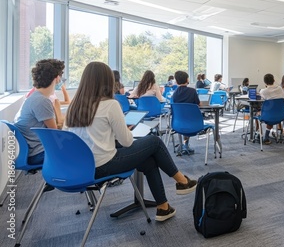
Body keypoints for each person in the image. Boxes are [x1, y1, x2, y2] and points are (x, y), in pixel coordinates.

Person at [64, 62, 197, 222]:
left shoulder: (74, 106)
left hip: (80, 167)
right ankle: (182, 181)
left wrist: (112, 129)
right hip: (102, 166)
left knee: (149, 160)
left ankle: (163, 207)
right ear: (107, 81)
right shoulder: (110, 105)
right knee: (154, 141)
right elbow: (127, 142)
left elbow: (86, 135)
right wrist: (125, 129)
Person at [14, 59, 65, 164]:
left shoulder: (34, 97)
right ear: (57, 78)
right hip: (39, 152)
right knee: (84, 148)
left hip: (35, 149)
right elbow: (54, 134)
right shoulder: (42, 101)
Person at [171, 70, 200, 155]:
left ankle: (184, 144)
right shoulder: (192, 91)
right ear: (187, 80)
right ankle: (185, 144)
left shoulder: (174, 94)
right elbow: (198, 104)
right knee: (188, 118)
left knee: (184, 119)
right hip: (194, 123)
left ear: (176, 81)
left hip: (178, 123)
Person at [259, 74, 284, 145]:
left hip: (268, 116)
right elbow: (283, 96)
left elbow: (261, 99)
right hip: (281, 115)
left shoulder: (263, 91)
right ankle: (268, 136)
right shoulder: (280, 89)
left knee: (257, 113)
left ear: (265, 82)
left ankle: (260, 134)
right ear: (274, 80)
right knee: (272, 112)